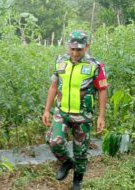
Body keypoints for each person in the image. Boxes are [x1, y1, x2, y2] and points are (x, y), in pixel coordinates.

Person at [42, 30, 108, 190]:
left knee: (81, 151)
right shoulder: (60, 62)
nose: (75, 52)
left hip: (83, 115)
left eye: (79, 49)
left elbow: (102, 89)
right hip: (62, 112)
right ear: (67, 47)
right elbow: (53, 86)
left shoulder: (95, 66)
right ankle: (66, 162)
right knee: (54, 141)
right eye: (72, 48)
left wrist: (101, 116)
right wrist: (46, 110)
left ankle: (77, 181)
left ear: (87, 47)